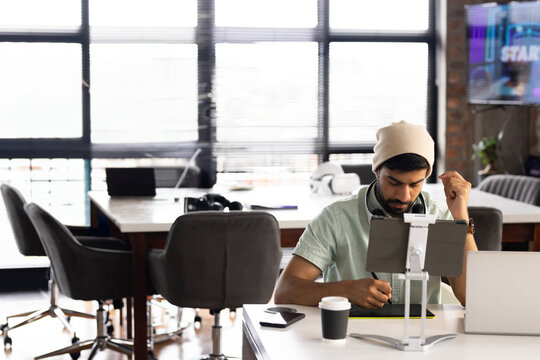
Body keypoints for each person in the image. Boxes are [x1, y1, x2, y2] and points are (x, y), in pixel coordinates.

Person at [274, 121, 477, 308]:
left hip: (422, 339)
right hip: (351, 338)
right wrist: (346, 291)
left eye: (415, 184)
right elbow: (285, 292)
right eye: (394, 182)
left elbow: (474, 297)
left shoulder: (440, 215)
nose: (404, 195)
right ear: (376, 170)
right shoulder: (336, 219)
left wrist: (461, 219)